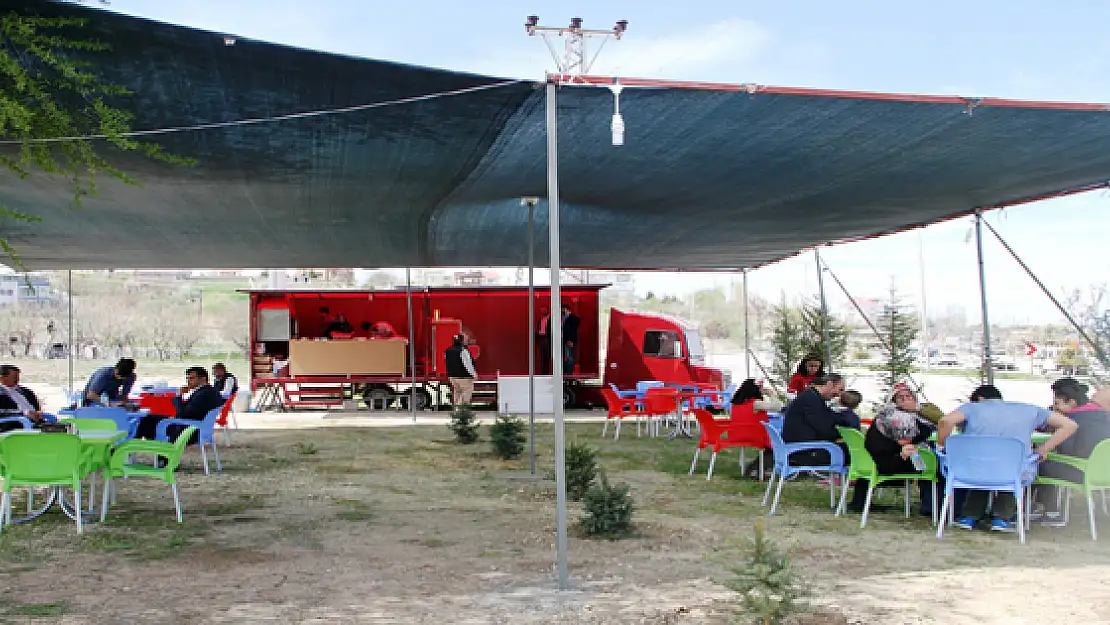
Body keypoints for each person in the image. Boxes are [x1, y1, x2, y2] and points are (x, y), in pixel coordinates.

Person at [938, 384, 1077, 533]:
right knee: (1014, 467)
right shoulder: (1030, 409)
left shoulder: (972, 408)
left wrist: (941, 445)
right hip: (1011, 471)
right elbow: (1070, 425)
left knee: (982, 465)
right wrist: (1044, 448)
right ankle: (1001, 518)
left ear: (980, 399)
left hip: (972, 471)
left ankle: (969, 516)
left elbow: (945, 421)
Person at [781, 373, 869, 509]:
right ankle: (862, 501)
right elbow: (824, 429)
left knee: (863, 451)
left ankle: (861, 500)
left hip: (803, 447)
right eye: (839, 390)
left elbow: (826, 421)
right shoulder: (811, 400)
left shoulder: (811, 397)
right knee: (865, 453)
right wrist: (843, 434)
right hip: (804, 453)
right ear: (828, 384)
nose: (839, 395)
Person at [1034, 380, 1110, 522]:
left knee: (1037, 464)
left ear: (1072, 402)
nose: (1055, 407)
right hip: (1105, 473)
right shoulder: (1103, 414)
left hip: (1082, 472)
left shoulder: (1071, 420)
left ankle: (1049, 510)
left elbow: (1065, 451)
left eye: (1057, 404)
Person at [865, 385, 939, 517]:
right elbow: (905, 441)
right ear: (894, 401)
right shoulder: (896, 416)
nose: (906, 400)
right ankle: (935, 507)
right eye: (901, 397)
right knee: (937, 465)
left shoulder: (892, 413)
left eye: (908, 396)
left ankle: (931, 505)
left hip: (882, 459)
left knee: (930, 459)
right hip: (891, 462)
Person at [135, 366, 225, 445]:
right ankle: (159, 454)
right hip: (197, 427)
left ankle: (135, 447)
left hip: (189, 430)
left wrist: (178, 396)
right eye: (188, 378)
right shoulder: (210, 391)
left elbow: (182, 414)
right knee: (150, 419)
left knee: (148, 422)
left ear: (203, 379)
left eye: (192, 378)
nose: (189, 381)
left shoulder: (203, 394)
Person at [0, 364, 47, 431]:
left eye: (18, 377)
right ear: (1, 378)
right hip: (16, 425)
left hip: (37, 423)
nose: (17, 380)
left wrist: (38, 413)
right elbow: (2, 412)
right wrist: (25, 413)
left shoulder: (26, 391)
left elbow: (36, 408)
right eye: (14, 377)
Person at [445, 334, 476, 407]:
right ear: (462, 341)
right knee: (467, 391)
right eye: (465, 340)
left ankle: (456, 409)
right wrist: (474, 374)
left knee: (457, 392)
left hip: (452, 376)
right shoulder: (463, 350)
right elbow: (467, 364)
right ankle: (461, 409)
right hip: (464, 376)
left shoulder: (448, 350)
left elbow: (447, 362)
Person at [561, 304, 581, 374]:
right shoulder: (561, 318)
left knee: (569, 357)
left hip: (569, 340)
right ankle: (564, 372)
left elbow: (573, 330)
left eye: (563, 309)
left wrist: (571, 340)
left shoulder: (574, 319)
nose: (562, 311)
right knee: (563, 357)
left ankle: (569, 373)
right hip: (562, 340)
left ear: (567, 309)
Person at [536, 307, 552, 375]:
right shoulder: (541, 319)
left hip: (547, 338)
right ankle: (544, 373)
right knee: (542, 357)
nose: (542, 312)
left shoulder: (550, 318)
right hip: (541, 338)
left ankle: (550, 372)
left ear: (547, 310)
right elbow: (538, 329)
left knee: (548, 356)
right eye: (541, 310)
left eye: (544, 310)